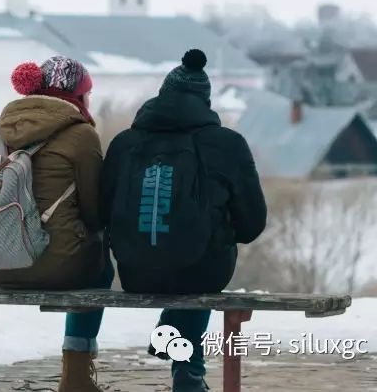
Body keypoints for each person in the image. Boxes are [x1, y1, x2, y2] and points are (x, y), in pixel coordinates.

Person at [99, 49, 267, 392]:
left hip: (135, 269)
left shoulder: (124, 143)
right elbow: (252, 225)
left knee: (188, 253)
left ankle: (181, 352)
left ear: (163, 93)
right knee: (199, 256)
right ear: (205, 100)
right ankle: (187, 369)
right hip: (203, 272)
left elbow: (100, 214)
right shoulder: (227, 144)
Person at [0, 56, 111, 392]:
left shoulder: (4, 131)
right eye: (88, 94)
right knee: (102, 265)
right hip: (61, 267)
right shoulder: (81, 135)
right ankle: (76, 371)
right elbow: (94, 211)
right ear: (78, 96)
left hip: (3, 262)